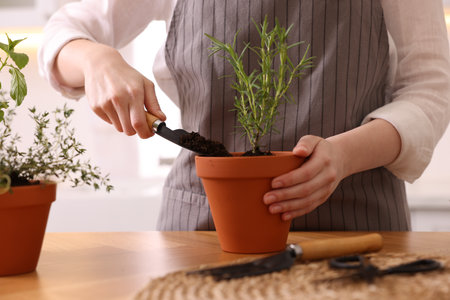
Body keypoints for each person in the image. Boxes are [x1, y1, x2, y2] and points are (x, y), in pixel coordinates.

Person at [38, 0, 450, 231]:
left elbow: (431, 88)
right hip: (205, 226)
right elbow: (64, 33)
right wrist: (96, 59)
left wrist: (344, 156)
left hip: (357, 226)